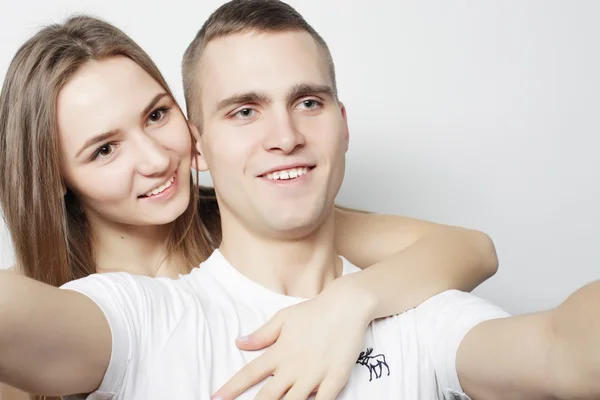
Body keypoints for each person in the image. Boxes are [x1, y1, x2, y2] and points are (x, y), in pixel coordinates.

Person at [0, 8, 500, 400]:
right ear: (55, 177)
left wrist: (349, 303)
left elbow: (471, 250)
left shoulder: (244, 217)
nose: (155, 159)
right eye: (105, 149)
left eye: (155, 115)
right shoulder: (40, 297)